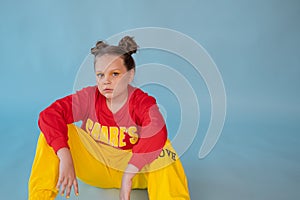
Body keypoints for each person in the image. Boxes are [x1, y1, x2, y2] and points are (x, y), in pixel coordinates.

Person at [28, 36, 190, 200]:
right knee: (51, 133)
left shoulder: (141, 102)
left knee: (163, 148)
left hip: (134, 172)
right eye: (101, 75)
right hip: (95, 168)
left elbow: (157, 129)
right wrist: (65, 157)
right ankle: (40, 197)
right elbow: (49, 115)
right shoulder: (89, 97)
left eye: (115, 74)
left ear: (130, 74)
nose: (107, 81)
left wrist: (129, 174)